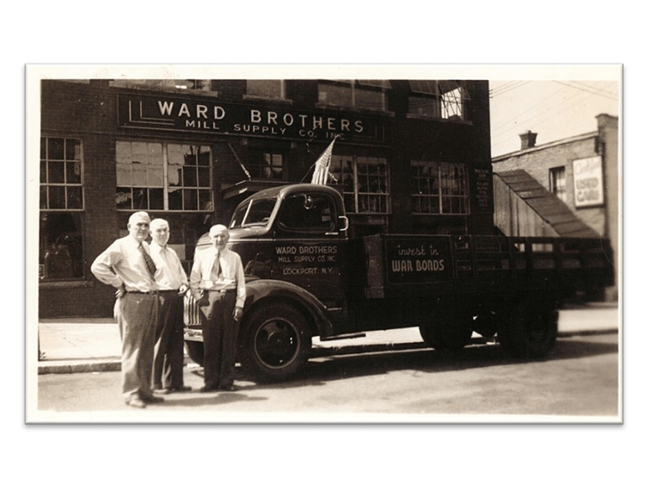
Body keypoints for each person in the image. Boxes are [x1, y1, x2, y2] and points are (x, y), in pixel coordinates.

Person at [90, 211, 163, 409]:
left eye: (146, 225)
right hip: (133, 301)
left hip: (150, 299)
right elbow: (97, 267)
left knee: (148, 349)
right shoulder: (120, 245)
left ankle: (145, 391)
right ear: (129, 227)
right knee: (133, 349)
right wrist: (118, 282)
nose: (143, 229)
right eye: (139, 225)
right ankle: (131, 393)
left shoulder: (146, 246)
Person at [189, 224, 246, 392]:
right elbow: (194, 279)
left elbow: (241, 282)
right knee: (210, 343)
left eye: (222, 236)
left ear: (227, 238)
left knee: (228, 342)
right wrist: (200, 299)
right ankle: (210, 382)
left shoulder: (235, 257)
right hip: (209, 300)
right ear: (210, 238)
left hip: (229, 298)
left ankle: (227, 382)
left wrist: (239, 304)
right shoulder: (202, 255)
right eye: (216, 236)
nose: (219, 240)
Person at [149, 218, 191, 395]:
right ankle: (155, 384)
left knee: (176, 342)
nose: (162, 234)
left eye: (165, 230)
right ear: (151, 233)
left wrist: (183, 284)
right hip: (160, 298)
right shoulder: (148, 253)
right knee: (159, 342)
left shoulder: (172, 253)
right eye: (158, 230)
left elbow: (182, 276)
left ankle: (175, 382)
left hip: (176, 297)